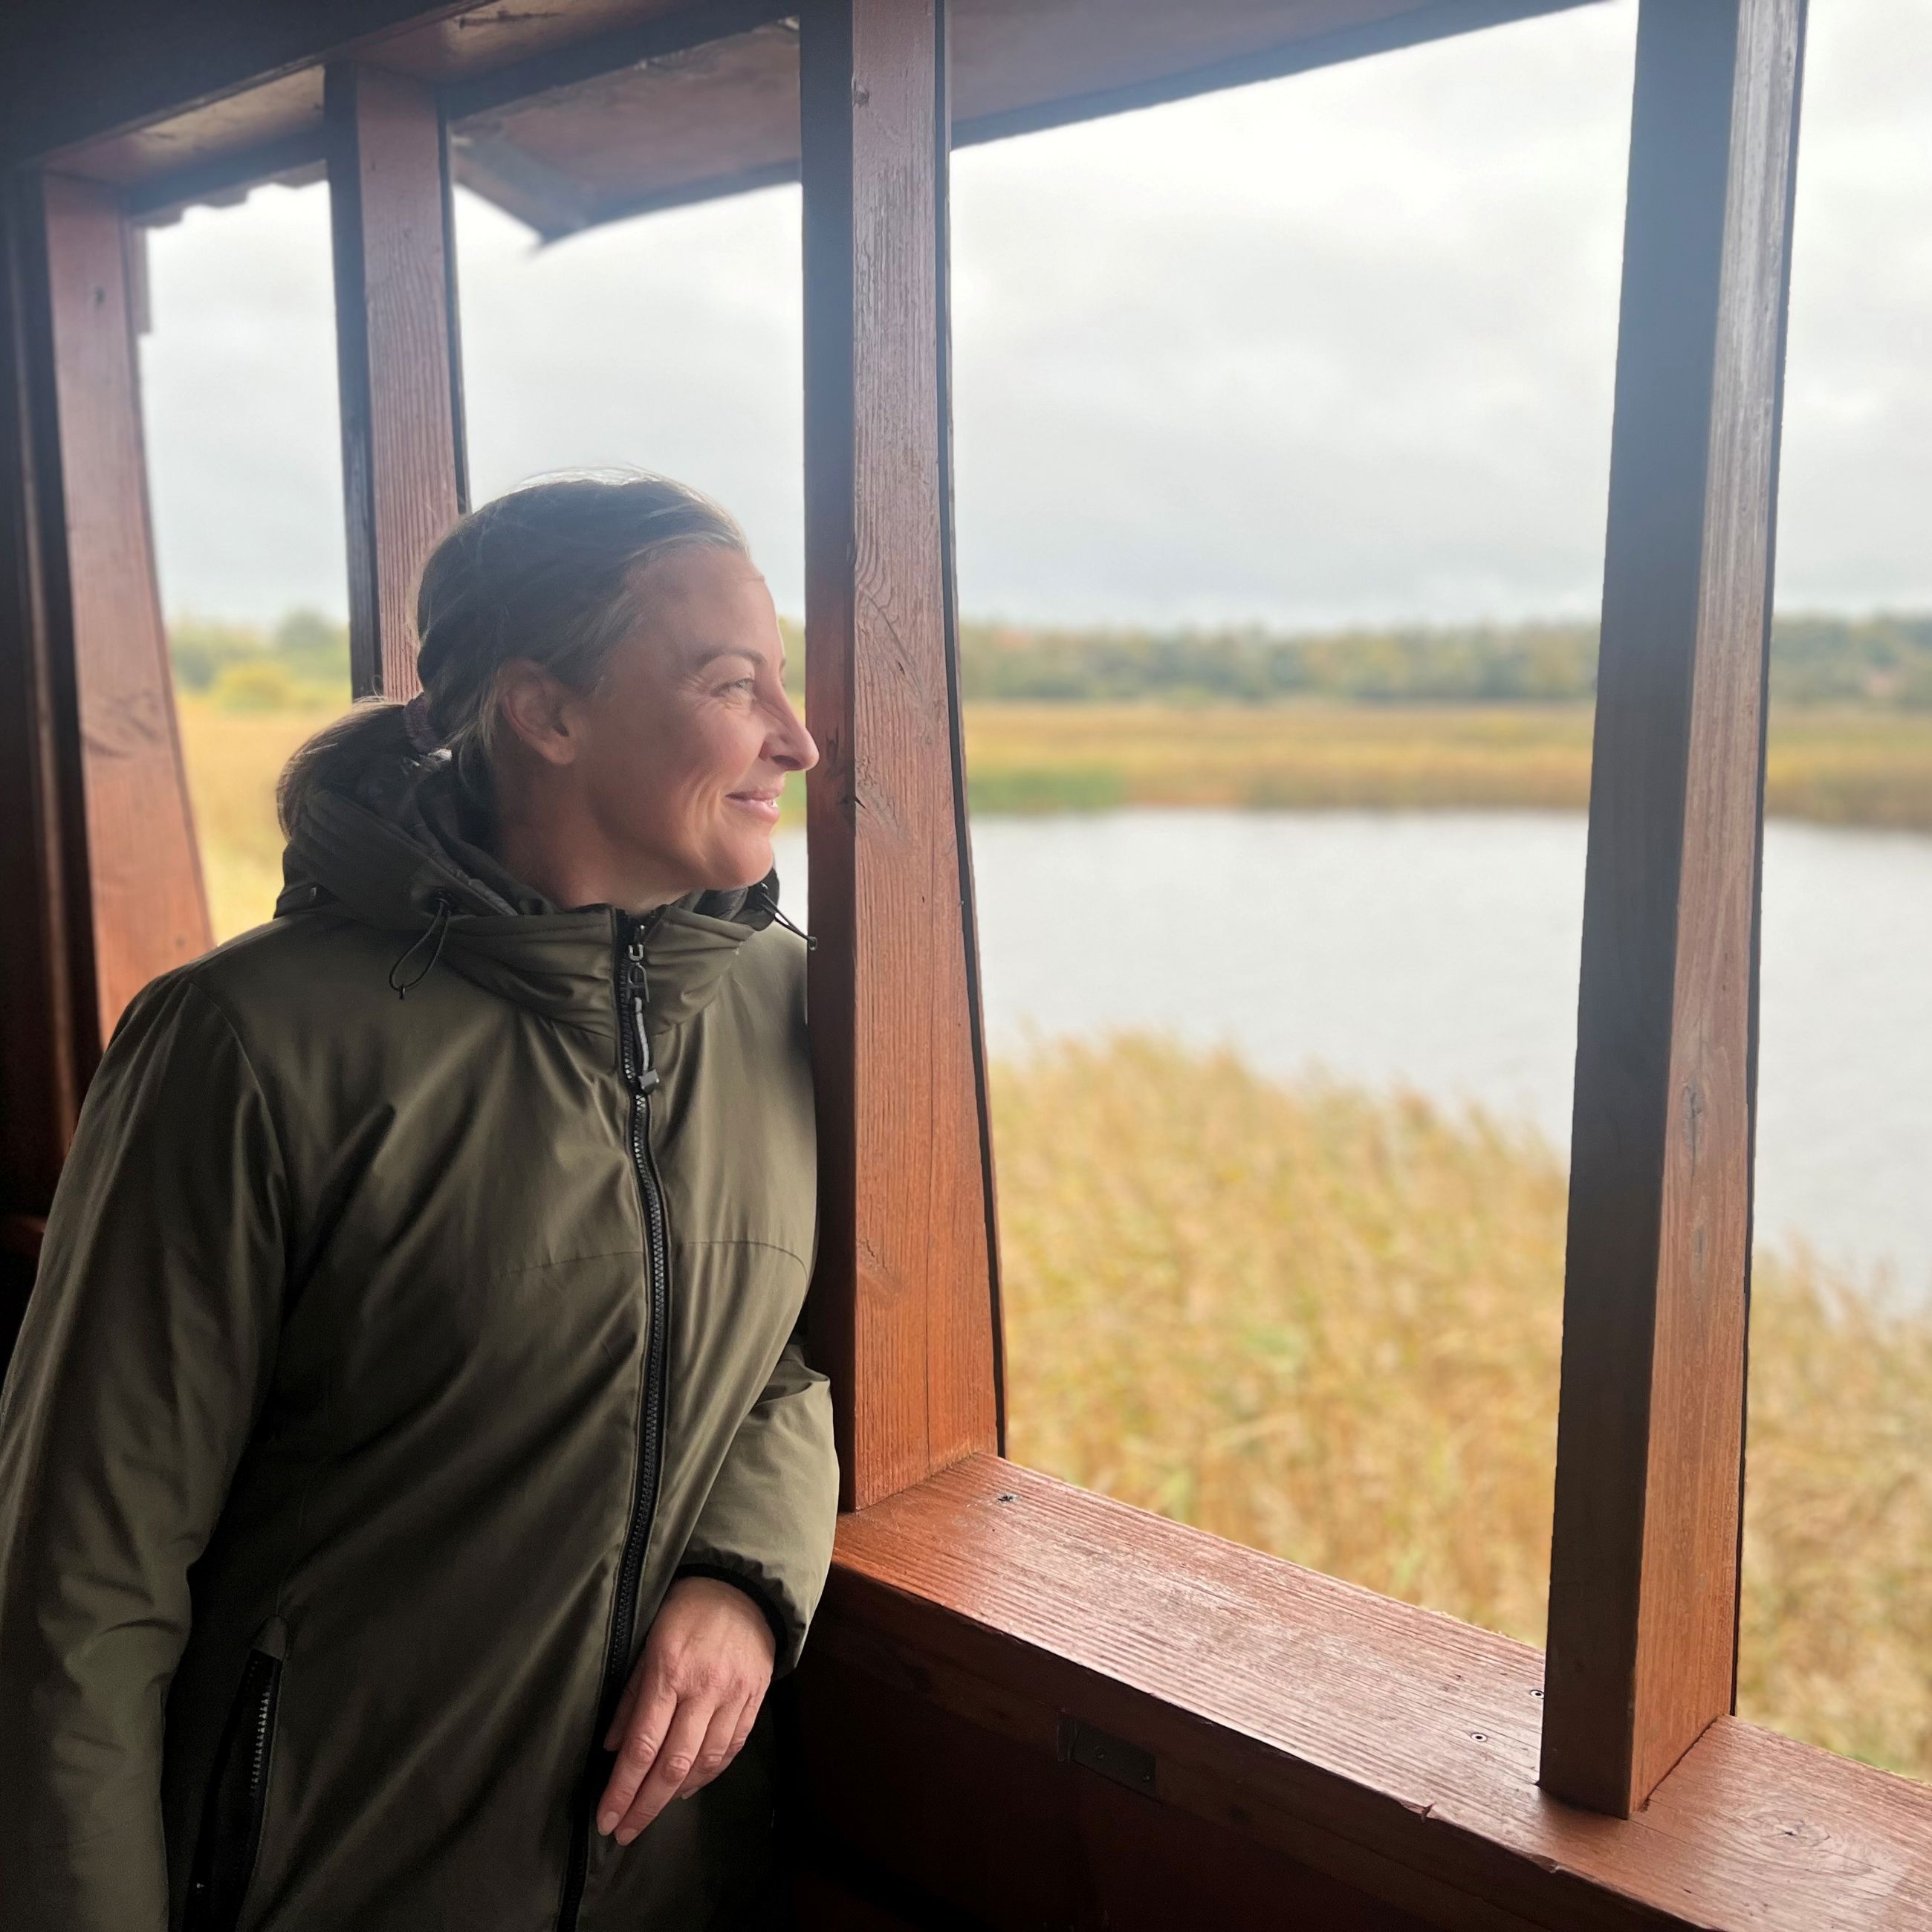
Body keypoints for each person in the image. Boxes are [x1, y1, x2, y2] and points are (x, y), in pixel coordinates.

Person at [0, 473, 840, 1931]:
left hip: (662, 1892)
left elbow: (770, 1355)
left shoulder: (783, 1002)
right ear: (546, 712)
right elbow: (80, 1584)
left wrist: (743, 1580)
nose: (798, 736)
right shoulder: (244, 1044)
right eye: (731, 684)